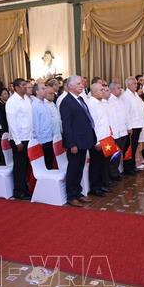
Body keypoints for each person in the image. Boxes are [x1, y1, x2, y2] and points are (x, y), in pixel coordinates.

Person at [59, 75, 96, 208]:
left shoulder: (80, 99)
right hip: (75, 143)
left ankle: (78, 192)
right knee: (73, 168)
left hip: (83, 140)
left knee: (80, 168)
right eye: (79, 84)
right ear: (70, 86)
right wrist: (71, 144)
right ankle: (71, 196)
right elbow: (67, 126)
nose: (82, 85)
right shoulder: (66, 102)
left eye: (82, 84)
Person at [5, 79, 33, 200]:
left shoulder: (27, 99)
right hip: (19, 139)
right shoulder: (12, 101)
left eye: (25, 85)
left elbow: (29, 119)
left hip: (28, 137)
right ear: (16, 88)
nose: (25, 87)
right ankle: (18, 191)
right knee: (19, 165)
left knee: (25, 165)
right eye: (22, 85)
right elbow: (12, 123)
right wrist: (17, 141)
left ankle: (24, 188)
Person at [86, 82, 112, 196]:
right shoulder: (91, 104)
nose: (104, 92)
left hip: (105, 138)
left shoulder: (100, 102)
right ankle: (95, 187)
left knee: (102, 163)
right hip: (97, 140)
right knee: (96, 164)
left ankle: (100, 184)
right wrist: (97, 141)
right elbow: (94, 125)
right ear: (95, 92)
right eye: (101, 90)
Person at [120, 77, 144, 175]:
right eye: (134, 83)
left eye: (136, 83)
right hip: (132, 126)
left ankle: (132, 165)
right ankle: (128, 168)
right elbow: (126, 113)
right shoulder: (126, 96)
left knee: (134, 147)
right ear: (128, 85)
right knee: (129, 148)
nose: (136, 85)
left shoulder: (135, 94)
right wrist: (129, 127)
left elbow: (139, 109)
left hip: (138, 124)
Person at [31, 82, 55, 170]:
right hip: (42, 140)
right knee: (44, 164)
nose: (45, 91)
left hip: (50, 137)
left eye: (45, 88)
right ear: (37, 91)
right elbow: (35, 124)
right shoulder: (34, 105)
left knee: (50, 162)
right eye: (43, 89)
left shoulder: (45, 102)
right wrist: (38, 141)